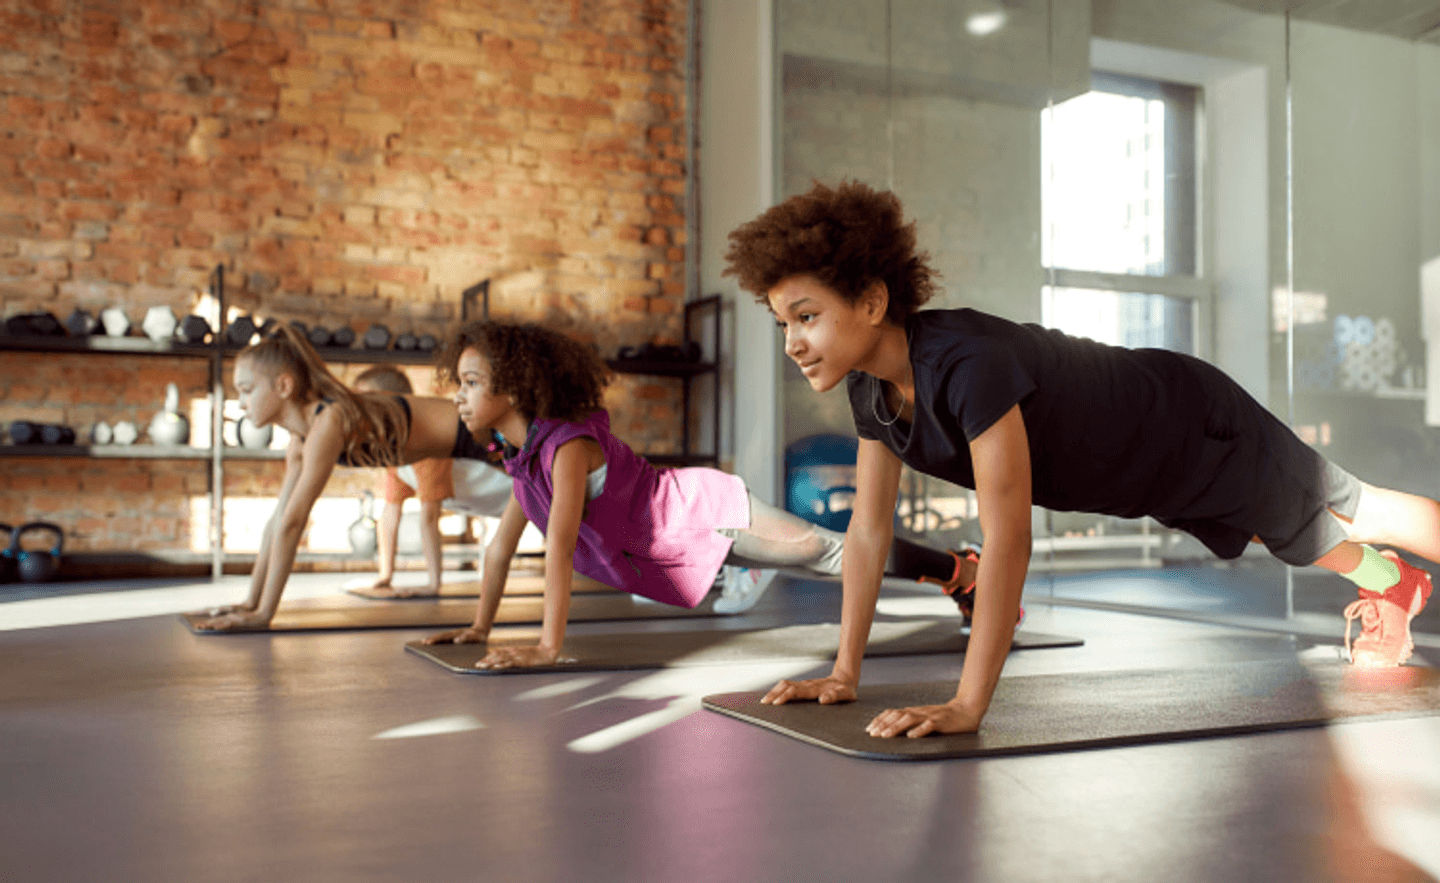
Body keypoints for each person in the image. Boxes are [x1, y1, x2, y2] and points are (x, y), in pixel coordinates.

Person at [722, 179, 1436, 738]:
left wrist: (969, 703)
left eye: (807, 316)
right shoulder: (871, 395)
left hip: (1183, 420)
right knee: (1288, 534)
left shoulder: (967, 365)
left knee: (1351, 506)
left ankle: (1396, 578)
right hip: (1146, 476)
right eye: (782, 321)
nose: (791, 341)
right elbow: (870, 534)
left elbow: (1008, 539)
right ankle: (1396, 586)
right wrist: (844, 672)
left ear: (873, 300)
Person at [420, 320, 979, 668]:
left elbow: (561, 548)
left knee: (824, 553)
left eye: (471, 383)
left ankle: (960, 569)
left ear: (513, 388)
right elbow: (500, 549)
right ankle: (757, 567)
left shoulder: (564, 448)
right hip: (675, 544)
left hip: (699, 510)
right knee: (830, 561)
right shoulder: (523, 461)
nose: (460, 398)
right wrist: (478, 627)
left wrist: (547, 648)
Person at [190, 326, 491, 631]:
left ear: (283, 386)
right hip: (468, 443)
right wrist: (250, 602)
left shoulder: (328, 422)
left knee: (540, 512)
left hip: (483, 433)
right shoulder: (301, 436)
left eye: (246, 390)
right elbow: (280, 517)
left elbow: (294, 522)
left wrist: (264, 615)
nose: (241, 403)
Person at [352, 366, 514, 598]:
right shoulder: (393, 451)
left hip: (512, 492)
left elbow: (430, 517)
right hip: (494, 502)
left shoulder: (427, 443)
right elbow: (390, 513)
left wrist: (433, 584)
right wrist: (385, 577)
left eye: (364, 400)